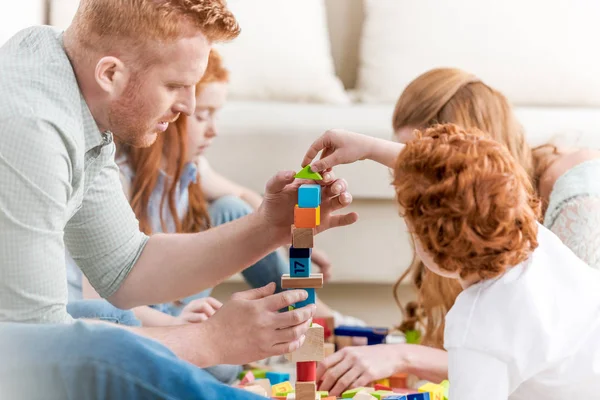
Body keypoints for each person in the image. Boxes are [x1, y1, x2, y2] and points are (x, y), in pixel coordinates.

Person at [0, 0, 357, 398]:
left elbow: (125, 268)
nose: (188, 105)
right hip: (21, 354)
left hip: (26, 341)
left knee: (108, 318)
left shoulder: (75, 90)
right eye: (174, 86)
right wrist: (207, 340)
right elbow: (39, 351)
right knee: (108, 344)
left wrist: (270, 226)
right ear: (110, 73)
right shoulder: (30, 127)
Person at [67, 49, 359, 384]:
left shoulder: (194, 169)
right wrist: (185, 328)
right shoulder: (116, 177)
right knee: (224, 365)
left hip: (174, 301)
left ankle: (324, 320)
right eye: (204, 115)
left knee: (229, 210)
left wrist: (291, 235)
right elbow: (102, 290)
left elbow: (247, 203)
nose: (213, 130)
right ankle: (205, 345)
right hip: (137, 310)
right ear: (170, 116)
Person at [306, 68, 600, 396]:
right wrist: (371, 149)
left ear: (435, 249)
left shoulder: (477, 325)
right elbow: (456, 172)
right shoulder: (533, 237)